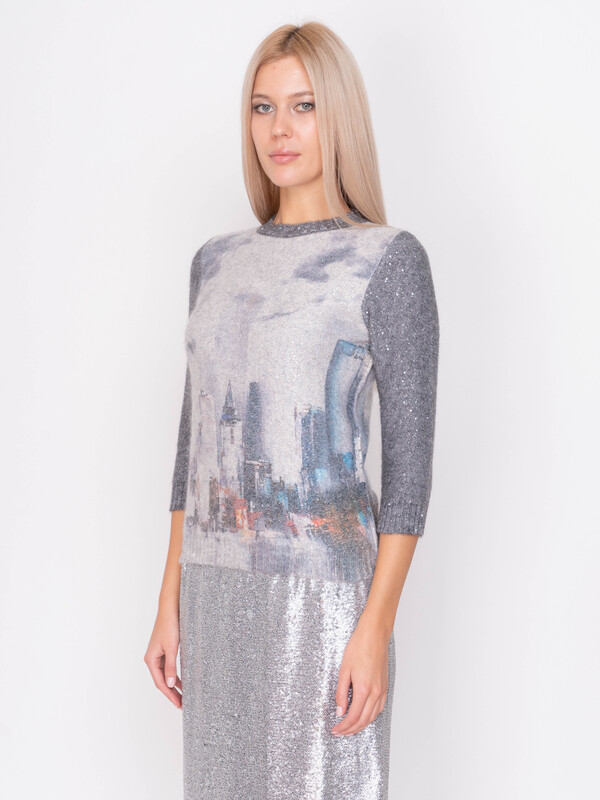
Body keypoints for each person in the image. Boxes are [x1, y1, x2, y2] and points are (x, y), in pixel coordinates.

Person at [145, 20, 440, 800]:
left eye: (304, 106)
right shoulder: (214, 262)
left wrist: (374, 628)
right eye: (263, 106)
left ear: (338, 115)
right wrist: (169, 601)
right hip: (213, 596)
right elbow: (192, 449)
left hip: (325, 606)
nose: (280, 129)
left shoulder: (388, 260)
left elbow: (409, 475)